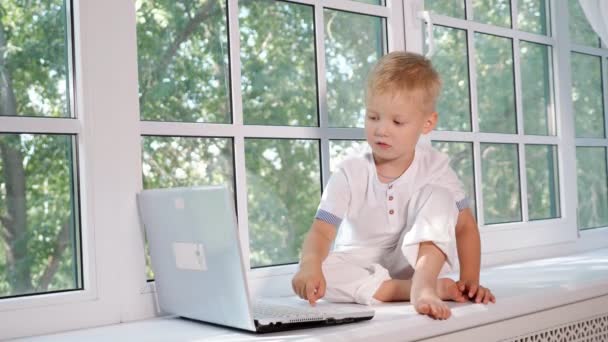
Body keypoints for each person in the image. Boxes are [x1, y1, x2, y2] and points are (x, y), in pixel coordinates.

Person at [291, 51, 495, 320]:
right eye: (373, 117)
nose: (381, 130)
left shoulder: (435, 167)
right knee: (321, 269)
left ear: (427, 123)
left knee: (441, 196)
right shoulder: (349, 172)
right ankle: (408, 290)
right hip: (362, 262)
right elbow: (321, 231)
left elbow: (466, 227)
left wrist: (470, 281)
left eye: (397, 122)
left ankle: (423, 282)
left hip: (414, 261)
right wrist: (309, 266)